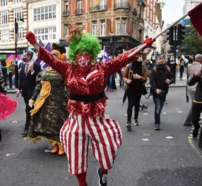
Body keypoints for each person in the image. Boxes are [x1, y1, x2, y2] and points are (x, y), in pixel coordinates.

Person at [25, 25, 154, 186]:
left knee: (108, 152)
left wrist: (144, 45)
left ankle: (103, 171)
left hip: (97, 119)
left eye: (86, 53)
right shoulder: (68, 69)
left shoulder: (103, 68)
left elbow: (123, 58)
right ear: (74, 54)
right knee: (75, 154)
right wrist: (35, 43)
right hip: (76, 120)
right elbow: (49, 58)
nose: (83, 57)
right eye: (79, 53)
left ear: (92, 54)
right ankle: (82, 184)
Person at [27, 44, 69, 156]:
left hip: (61, 102)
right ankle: (55, 144)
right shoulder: (45, 71)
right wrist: (32, 99)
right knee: (50, 124)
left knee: (60, 123)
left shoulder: (64, 71)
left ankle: (62, 145)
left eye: (56, 55)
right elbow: (38, 86)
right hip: (47, 102)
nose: (54, 57)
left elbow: (69, 86)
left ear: (60, 57)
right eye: (52, 55)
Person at [16, 51, 41, 137]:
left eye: (25, 56)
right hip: (24, 90)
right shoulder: (22, 65)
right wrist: (18, 89)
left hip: (32, 90)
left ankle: (27, 127)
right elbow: (21, 78)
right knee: (29, 108)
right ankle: (33, 124)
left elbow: (39, 78)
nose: (24, 57)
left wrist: (32, 71)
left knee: (28, 108)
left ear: (29, 56)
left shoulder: (37, 66)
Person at [123, 54, 149, 131]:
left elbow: (145, 79)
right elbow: (124, 76)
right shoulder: (129, 66)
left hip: (139, 88)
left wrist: (139, 77)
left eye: (140, 57)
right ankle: (128, 122)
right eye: (137, 57)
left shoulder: (143, 67)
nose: (139, 58)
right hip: (130, 88)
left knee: (137, 104)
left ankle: (135, 119)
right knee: (130, 104)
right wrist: (127, 80)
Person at [150, 56, 174, 130]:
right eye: (159, 63)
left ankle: (157, 116)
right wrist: (156, 89)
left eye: (162, 63)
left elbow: (172, 78)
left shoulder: (167, 69)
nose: (160, 64)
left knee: (160, 106)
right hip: (156, 92)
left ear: (164, 62)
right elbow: (152, 81)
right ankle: (157, 123)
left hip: (164, 91)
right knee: (158, 106)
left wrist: (170, 81)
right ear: (156, 63)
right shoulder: (154, 70)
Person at [183, 54, 202, 126]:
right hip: (197, 87)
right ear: (201, 60)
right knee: (194, 106)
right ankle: (187, 121)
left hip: (190, 87)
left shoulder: (189, 66)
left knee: (195, 104)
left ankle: (196, 118)